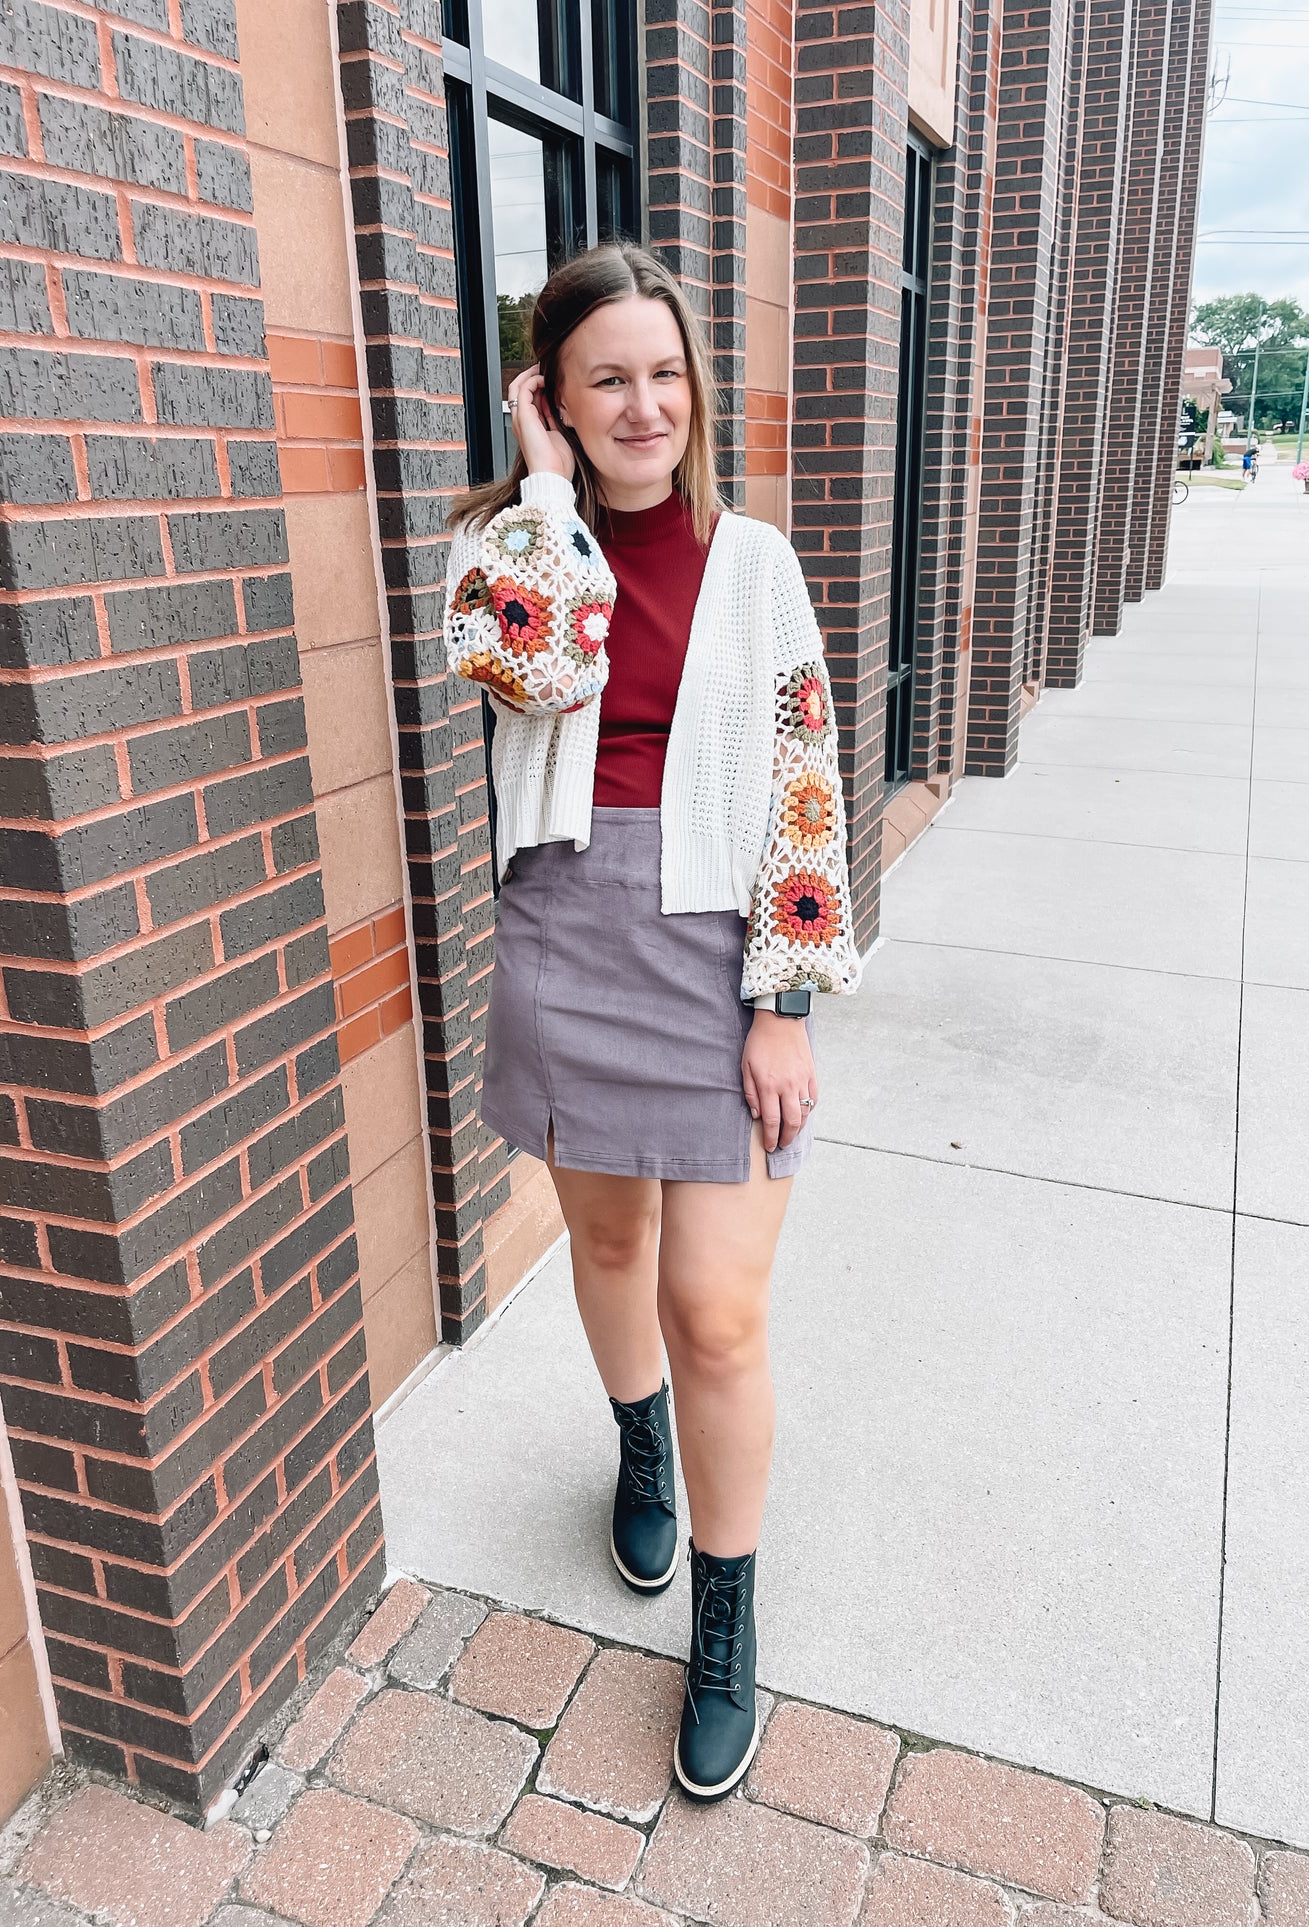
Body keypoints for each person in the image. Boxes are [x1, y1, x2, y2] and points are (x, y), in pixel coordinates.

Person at [442, 242, 860, 1802]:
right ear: (551, 395)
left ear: (696, 388)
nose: (644, 405)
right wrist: (544, 496)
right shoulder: (508, 550)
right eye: (604, 377)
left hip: (715, 955)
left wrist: (783, 999)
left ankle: (724, 1618)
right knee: (607, 1249)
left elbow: (803, 783)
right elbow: (528, 671)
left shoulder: (753, 563)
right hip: (564, 932)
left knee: (719, 1311)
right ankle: (637, 1452)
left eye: (664, 373)